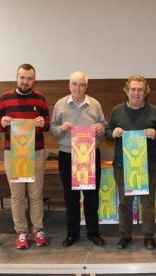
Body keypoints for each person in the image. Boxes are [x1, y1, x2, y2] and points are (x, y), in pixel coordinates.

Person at [105, 75, 156, 250]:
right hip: (123, 165)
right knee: (125, 201)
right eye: (133, 89)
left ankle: (148, 236)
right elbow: (108, 132)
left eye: (140, 90)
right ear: (126, 91)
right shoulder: (117, 111)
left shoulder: (154, 111)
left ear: (145, 92)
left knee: (147, 202)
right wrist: (112, 132)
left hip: (148, 164)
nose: (136, 93)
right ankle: (125, 236)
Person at [0, 63, 50, 249]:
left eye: (29, 78)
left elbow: (48, 124)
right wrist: (1, 122)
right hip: (14, 153)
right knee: (16, 195)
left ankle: (38, 229)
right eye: (22, 77)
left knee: (36, 194)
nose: (26, 81)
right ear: (17, 77)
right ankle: (21, 232)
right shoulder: (4, 98)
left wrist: (44, 123)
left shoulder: (41, 99)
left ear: (34, 80)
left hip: (37, 152)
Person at [50, 71, 107, 247]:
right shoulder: (60, 104)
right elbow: (52, 129)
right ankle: (72, 233)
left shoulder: (95, 104)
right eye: (74, 84)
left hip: (90, 155)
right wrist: (61, 129)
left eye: (81, 84)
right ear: (69, 85)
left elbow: (104, 128)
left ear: (86, 86)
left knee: (91, 196)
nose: (78, 87)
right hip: (67, 155)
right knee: (71, 197)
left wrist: (100, 129)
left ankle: (93, 233)